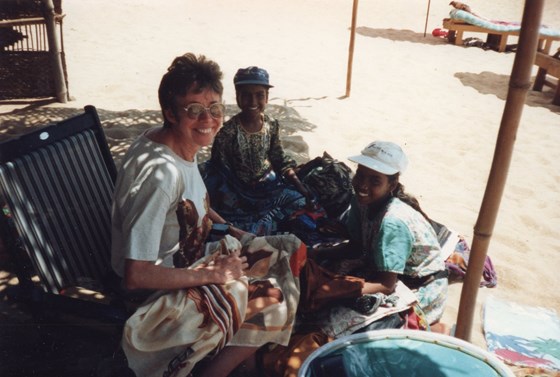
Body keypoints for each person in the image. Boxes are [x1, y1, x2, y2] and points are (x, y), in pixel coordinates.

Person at [110, 52, 260, 377]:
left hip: (184, 266)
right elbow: (136, 276)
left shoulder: (174, 143)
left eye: (215, 108)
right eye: (194, 110)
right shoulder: (160, 175)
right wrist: (215, 275)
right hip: (152, 298)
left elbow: (197, 203)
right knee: (270, 299)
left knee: (275, 255)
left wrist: (235, 232)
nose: (208, 119)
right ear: (170, 113)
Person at [311, 140, 449, 330]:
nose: (363, 185)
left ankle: (434, 328)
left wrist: (341, 290)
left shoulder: (393, 222)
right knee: (326, 271)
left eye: (375, 180)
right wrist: (317, 254)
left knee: (336, 323)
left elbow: (386, 285)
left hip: (420, 287)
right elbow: (356, 246)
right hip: (388, 273)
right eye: (360, 175)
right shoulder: (361, 202)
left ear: (391, 185)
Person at [201, 66, 314, 236]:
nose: (253, 101)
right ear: (237, 97)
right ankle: (259, 225)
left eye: (259, 95)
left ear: (267, 97)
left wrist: (301, 187)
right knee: (229, 218)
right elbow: (220, 169)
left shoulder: (271, 125)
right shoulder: (228, 132)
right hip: (240, 195)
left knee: (300, 201)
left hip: (269, 189)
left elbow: (279, 158)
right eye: (246, 95)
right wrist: (239, 193)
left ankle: (262, 224)